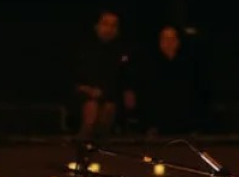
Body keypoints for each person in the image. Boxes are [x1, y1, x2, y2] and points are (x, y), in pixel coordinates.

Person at [74, 9, 135, 137]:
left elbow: (123, 80)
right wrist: (88, 90)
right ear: (96, 26)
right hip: (83, 94)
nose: (109, 29)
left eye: (113, 25)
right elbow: (75, 77)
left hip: (110, 96)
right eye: (106, 24)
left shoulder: (122, 51)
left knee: (108, 110)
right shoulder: (83, 48)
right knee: (91, 109)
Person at [138, 25, 201, 136]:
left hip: (183, 118)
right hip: (157, 118)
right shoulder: (149, 63)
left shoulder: (187, 63)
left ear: (178, 41)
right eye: (165, 39)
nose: (168, 43)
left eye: (172, 39)